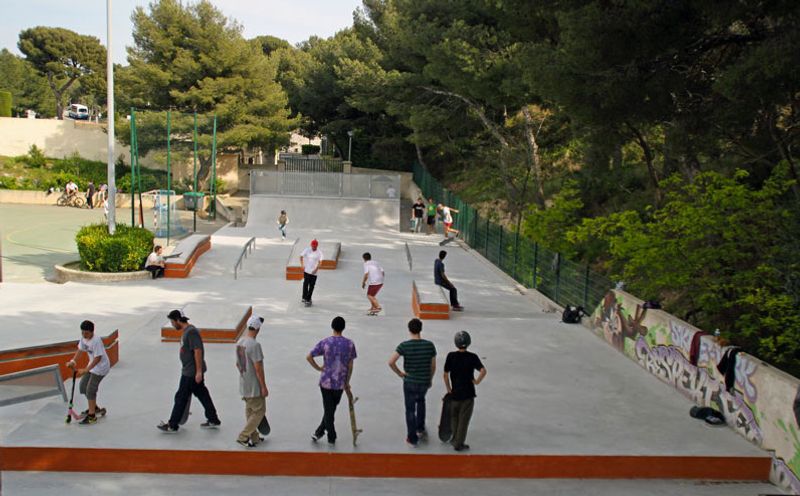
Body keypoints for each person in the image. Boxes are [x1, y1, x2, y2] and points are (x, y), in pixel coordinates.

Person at [157, 310, 221, 433]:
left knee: (181, 397)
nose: (171, 324)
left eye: (172, 322)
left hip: (190, 373)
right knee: (202, 394)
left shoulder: (191, 333)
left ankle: (172, 424)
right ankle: (213, 419)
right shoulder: (187, 331)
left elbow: (197, 351)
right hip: (190, 371)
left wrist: (198, 372)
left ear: (178, 320)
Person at [306, 316, 357, 445]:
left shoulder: (325, 342)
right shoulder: (350, 344)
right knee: (330, 410)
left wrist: (318, 368)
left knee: (329, 410)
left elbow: (309, 356)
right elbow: (350, 365)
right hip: (340, 383)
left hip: (326, 382)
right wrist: (347, 382)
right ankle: (327, 434)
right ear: (343, 328)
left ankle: (327, 435)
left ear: (332, 327)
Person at [388, 318, 437, 447]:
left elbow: (391, 362)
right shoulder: (429, 345)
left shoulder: (404, 345)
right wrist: (430, 378)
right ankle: (420, 428)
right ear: (420, 329)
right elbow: (433, 366)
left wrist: (400, 373)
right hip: (424, 381)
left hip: (409, 381)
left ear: (409, 330)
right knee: (421, 402)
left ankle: (412, 438)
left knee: (410, 410)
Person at [444, 331, 487, 451]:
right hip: (468, 394)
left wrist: (448, 388)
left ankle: (454, 438)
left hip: (455, 393)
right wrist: (477, 381)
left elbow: (446, 375)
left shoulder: (451, 356)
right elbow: (483, 371)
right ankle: (459, 443)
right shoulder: (472, 357)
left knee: (454, 417)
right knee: (464, 420)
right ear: (469, 343)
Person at [66, 320, 110, 425]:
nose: (84, 335)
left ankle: (92, 416)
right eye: (82, 332)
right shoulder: (84, 339)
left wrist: (86, 369)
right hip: (92, 366)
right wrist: (73, 361)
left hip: (101, 368)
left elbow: (98, 358)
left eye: (86, 333)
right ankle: (94, 408)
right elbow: (80, 350)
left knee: (90, 390)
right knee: (83, 386)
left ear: (92, 332)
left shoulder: (96, 341)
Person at [235, 315, 269, 448]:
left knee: (250, 410)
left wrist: (244, 377)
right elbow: (258, 368)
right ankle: (243, 436)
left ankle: (254, 437)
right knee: (259, 411)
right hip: (254, 385)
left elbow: (238, 365)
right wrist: (263, 387)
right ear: (258, 329)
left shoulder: (240, 342)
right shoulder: (255, 345)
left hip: (244, 383)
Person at [300, 239, 324, 306]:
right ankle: (304, 297)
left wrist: (316, 269)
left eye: (315, 246)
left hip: (314, 272)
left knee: (311, 286)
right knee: (305, 284)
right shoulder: (307, 250)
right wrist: (302, 265)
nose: (314, 247)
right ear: (311, 245)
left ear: (317, 246)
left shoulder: (319, 253)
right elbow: (301, 256)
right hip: (307, 271)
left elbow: (320, 262)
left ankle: (308, 299)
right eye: (313, 246)